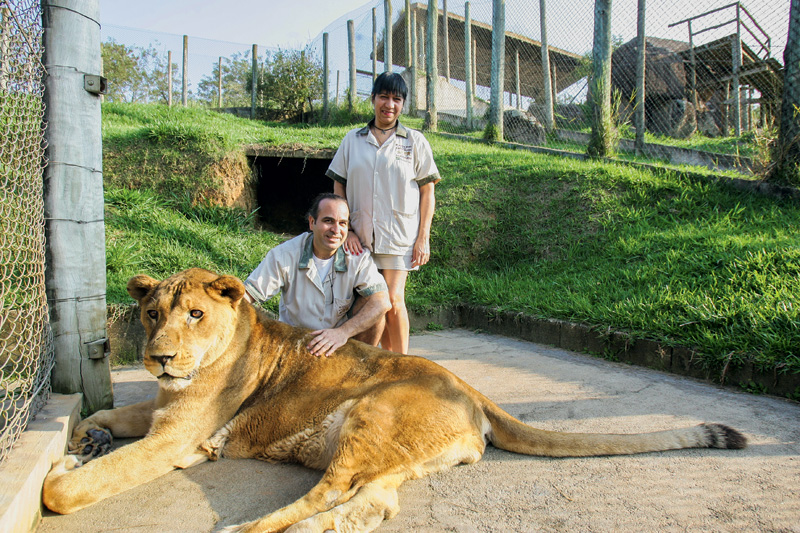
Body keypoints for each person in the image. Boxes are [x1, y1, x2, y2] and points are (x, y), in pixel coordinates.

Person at [326, 72, 441, 354]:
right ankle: (380, 363)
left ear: (402, 104)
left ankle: (402, 366)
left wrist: (423, 237)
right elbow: (338, 185)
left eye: (396, 99)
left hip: (398, 237)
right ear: (373, 99)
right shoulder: (352, 140)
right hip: (360, 239)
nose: (389, 104)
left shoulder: (414, 141)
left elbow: (428, 191)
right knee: (368, 304)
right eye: (384, 97)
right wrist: (347, 230)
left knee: (392, 300)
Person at [244, 193, 391, 357]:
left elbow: (382, 302)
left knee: (374, 312)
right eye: (328, 221)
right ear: (312, 222)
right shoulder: (284, 255)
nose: (336, 230)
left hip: (341, 341)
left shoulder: (357, 257)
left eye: (342, 223)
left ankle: (359, 372)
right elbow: (247, 295)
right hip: (297, 341)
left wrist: (342, 333)